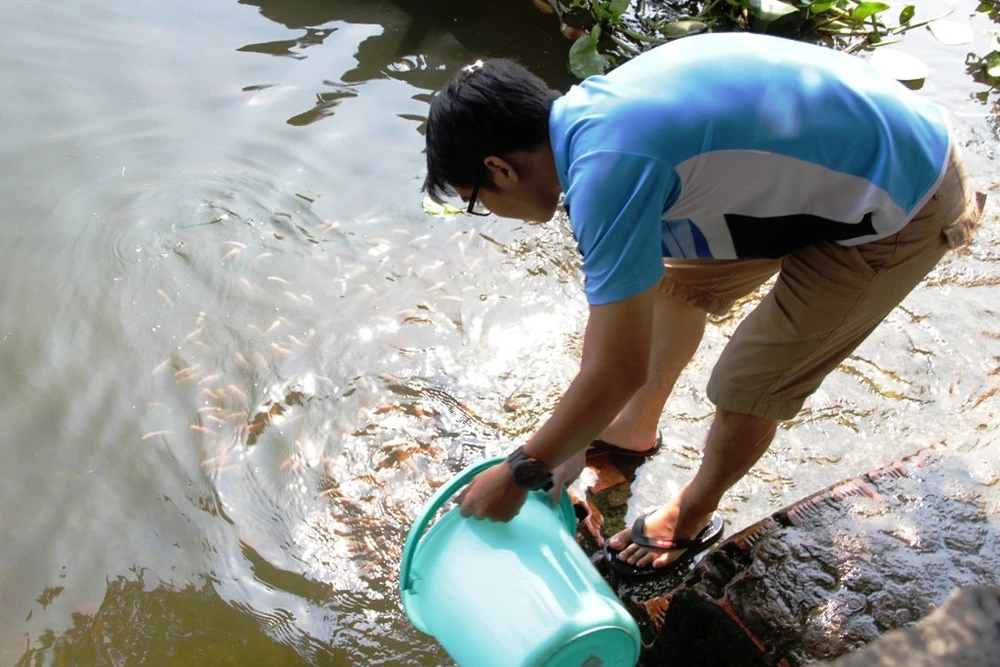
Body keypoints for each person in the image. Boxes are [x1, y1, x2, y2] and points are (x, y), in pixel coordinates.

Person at [421, 32, 983, 579]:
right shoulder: (593, 117)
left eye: (476, 201)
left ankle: (692, 515)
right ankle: (630, 429)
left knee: (749, 383)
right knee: (671, 285)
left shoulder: (608, 171)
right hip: (828, 171)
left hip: (905, 197)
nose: (488, 211)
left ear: (499, 169)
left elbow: (617, 368)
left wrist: (522, 471)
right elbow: (614, 320)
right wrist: (561, 448)